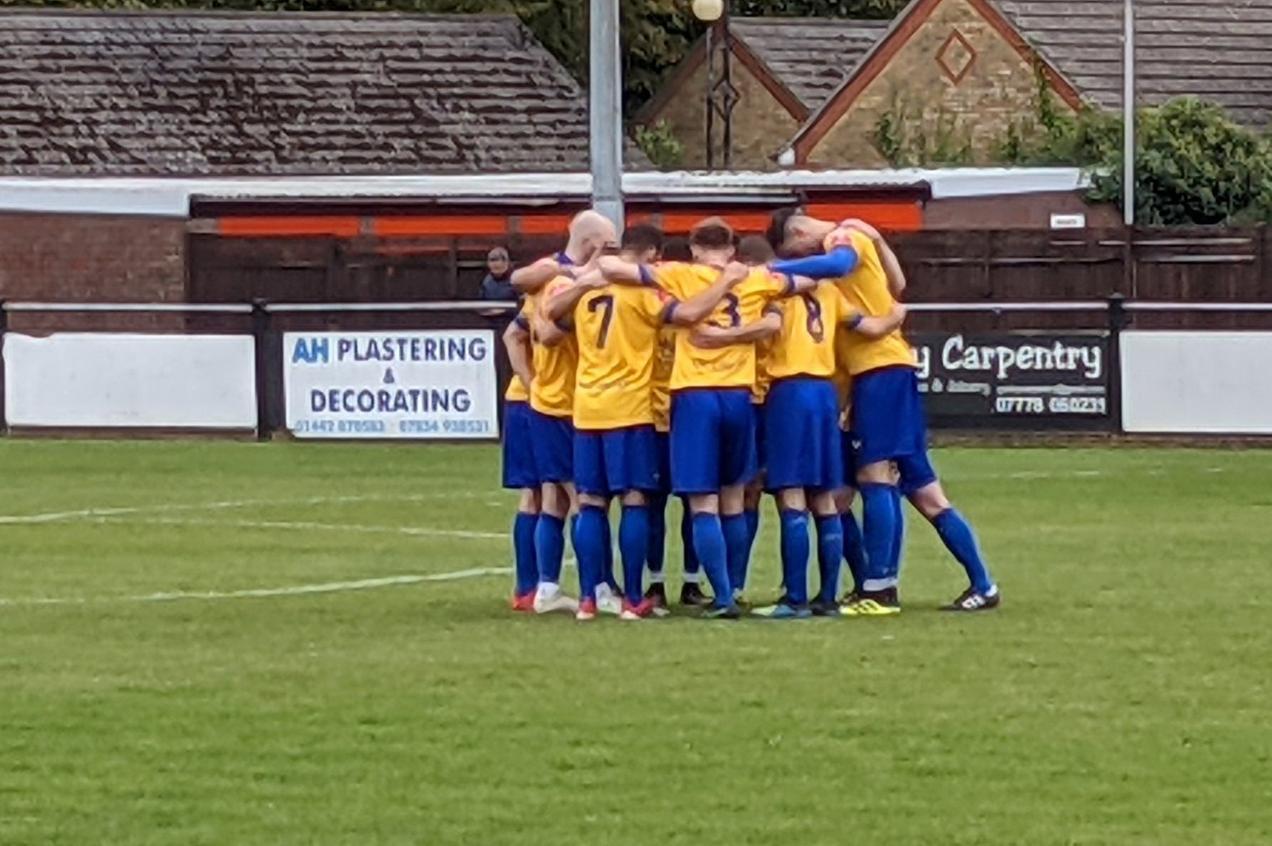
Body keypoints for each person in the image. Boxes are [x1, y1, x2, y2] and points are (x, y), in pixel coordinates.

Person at [766, 210, 1000, 613]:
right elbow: (898, 287)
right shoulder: (853, 246)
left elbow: (848, 273)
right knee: (917, 494)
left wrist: (770, 271)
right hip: (873, 377)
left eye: (796, 250)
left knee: (874, 475)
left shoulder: (842, 239)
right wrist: (880, 246)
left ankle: (879, 589)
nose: (804, 261)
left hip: (880, 372)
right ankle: (981, 584)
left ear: (799, 233)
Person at [544, 224, 750, 620]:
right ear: (651, 256)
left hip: (587, 409)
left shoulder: (586, 292)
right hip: (631, 408)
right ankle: (633, 597)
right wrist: (725, 282)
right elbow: (688, 313)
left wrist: (584, 282)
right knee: (636, 500)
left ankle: (589, 598)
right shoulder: (643, 293)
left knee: (590, 503)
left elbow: (551, 315)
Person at [602, 218, 792, 619]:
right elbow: (813, 277)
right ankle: (733, 588)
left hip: (692, 396)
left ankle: (720, 596)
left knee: (699, 503)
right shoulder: (757, 279)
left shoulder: (679, 274)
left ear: (692, 248)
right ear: (732, 248)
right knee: (734, 499)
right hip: (741, 395)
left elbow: (614, 268)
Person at [500, 316, 539, 611]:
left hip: (541, 401)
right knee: (538, 494)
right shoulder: (553, 286)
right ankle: (528, 587)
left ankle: (531, 586)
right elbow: (512, 335)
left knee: (542, 495)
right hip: (533, 403)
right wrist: (532, 386)